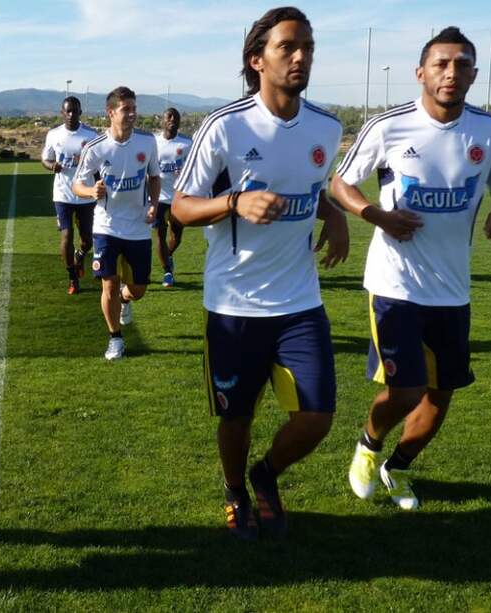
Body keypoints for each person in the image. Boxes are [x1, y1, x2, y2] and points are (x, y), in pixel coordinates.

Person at [172, 6, 348, 540]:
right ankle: (234, 492)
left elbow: (313, 188)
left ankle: (265, 474)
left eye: (308, 47)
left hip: (299, 303)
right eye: (288, 47)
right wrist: (234, 202)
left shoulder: (326, 126)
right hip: (234, 306)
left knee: (316, 418)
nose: (301, 57)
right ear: (258, 60)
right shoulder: (224, 126)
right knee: (236, 419)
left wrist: (335, 214)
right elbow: (180, 207)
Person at [331, 27, 491, 510]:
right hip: (394, 283)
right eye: (441, 64)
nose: (450, 73)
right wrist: (376, 215)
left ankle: (397, 469)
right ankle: (368, 446)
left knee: (440, 398)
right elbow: (341, 183)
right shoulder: (388, 126)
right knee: (406, 388)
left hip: (453, 289)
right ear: (421, 72)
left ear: (474, 75)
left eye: (461, 65)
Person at [73, 86, 161, 360]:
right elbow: (77, 184)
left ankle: (125, 300)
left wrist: (154, 205)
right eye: (127, 109)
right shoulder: (96, 147)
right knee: (108, 284)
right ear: (111, 113)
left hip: (137, 228)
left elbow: (154, 177)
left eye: (134, 108)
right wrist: (91, 192)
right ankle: (115, 339)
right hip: (106, 226)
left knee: (138, 289)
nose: (133, 113)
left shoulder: (147, 143)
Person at [41, 97, 99, 294]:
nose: (71, 115)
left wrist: (101, 189)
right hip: (63, 195)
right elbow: (45, 159)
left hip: (85, 195)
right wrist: (52, 166)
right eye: (68, 111)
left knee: (87, 240)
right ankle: (72, 277)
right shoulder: (54, 134)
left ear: (80, 112)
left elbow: (100, 165)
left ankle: (80, 256)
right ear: (62, 113)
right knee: (67, 235)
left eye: (75, 111)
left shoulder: (91, 135)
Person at [153, 108, 192, 287]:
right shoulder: (154, 143)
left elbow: (195, 167)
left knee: (176, 238)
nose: (172, 120)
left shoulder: (187, 143)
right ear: (162, 120)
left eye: (175, 117)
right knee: (160, 234)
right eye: (168, 116)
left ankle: (168, 256)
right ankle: (167, 272)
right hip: (159, 197)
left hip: (179, 197)